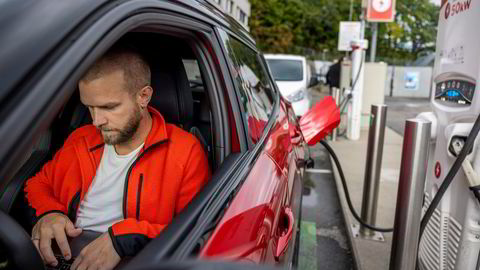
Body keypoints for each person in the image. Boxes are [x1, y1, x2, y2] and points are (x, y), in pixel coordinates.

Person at [24, 45, 211, 270]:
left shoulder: (185, 151)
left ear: (144, 96)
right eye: (90, 108)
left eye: (108, 107)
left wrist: (124, 240)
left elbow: (193, 233)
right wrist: (49, 212)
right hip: (62, 259)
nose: (96, 121)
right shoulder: (81, 138)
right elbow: (38, 184)